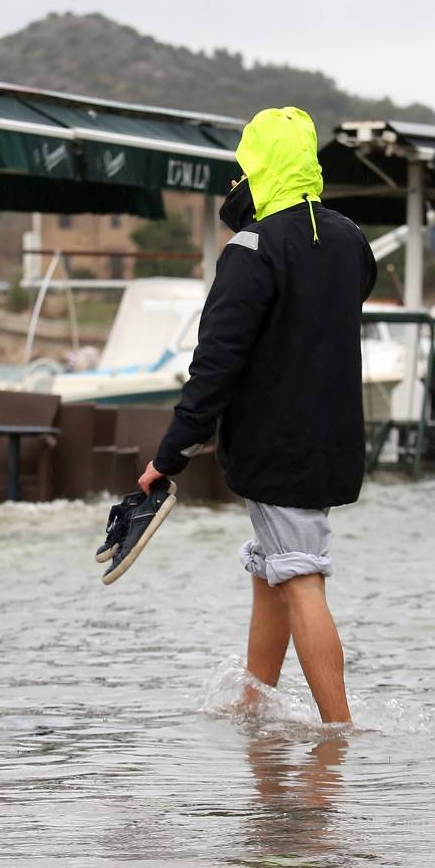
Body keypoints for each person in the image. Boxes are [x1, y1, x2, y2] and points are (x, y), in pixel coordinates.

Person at [139, 106, 376, 725]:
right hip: (335, 440)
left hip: (277, 446)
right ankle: (255, 708)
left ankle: (337, 733)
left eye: (242, 168)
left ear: (258, 168)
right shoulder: (350, 240)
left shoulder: (252, 248)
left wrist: (169, 456)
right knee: (273, 572)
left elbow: (215, 364)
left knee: (300, 575)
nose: (235, 182)